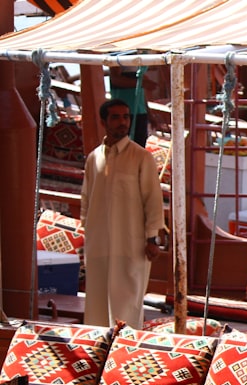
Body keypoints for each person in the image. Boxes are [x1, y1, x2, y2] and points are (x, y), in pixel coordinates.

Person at [81, 98, 166, 329]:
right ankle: (99, 351)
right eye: (116, 117)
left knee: (127, 301)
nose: (122, 122)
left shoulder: (141, 157)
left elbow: (153, 201)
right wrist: (85, 235)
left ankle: (125, 352)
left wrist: (152, 238)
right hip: (98, 243)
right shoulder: (93, 158)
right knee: (97, 300)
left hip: (131, 243)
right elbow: (86, 201)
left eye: (126, 117)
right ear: (104, 121)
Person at [108, 65, 156, 148]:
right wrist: (142, 83)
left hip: (140, 111)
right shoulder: (118, 56)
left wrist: (149, 114)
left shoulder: (140, 63)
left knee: (139, 148)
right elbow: (115, 79)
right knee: (120, 147)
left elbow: (140, 93)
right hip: (122, 113)